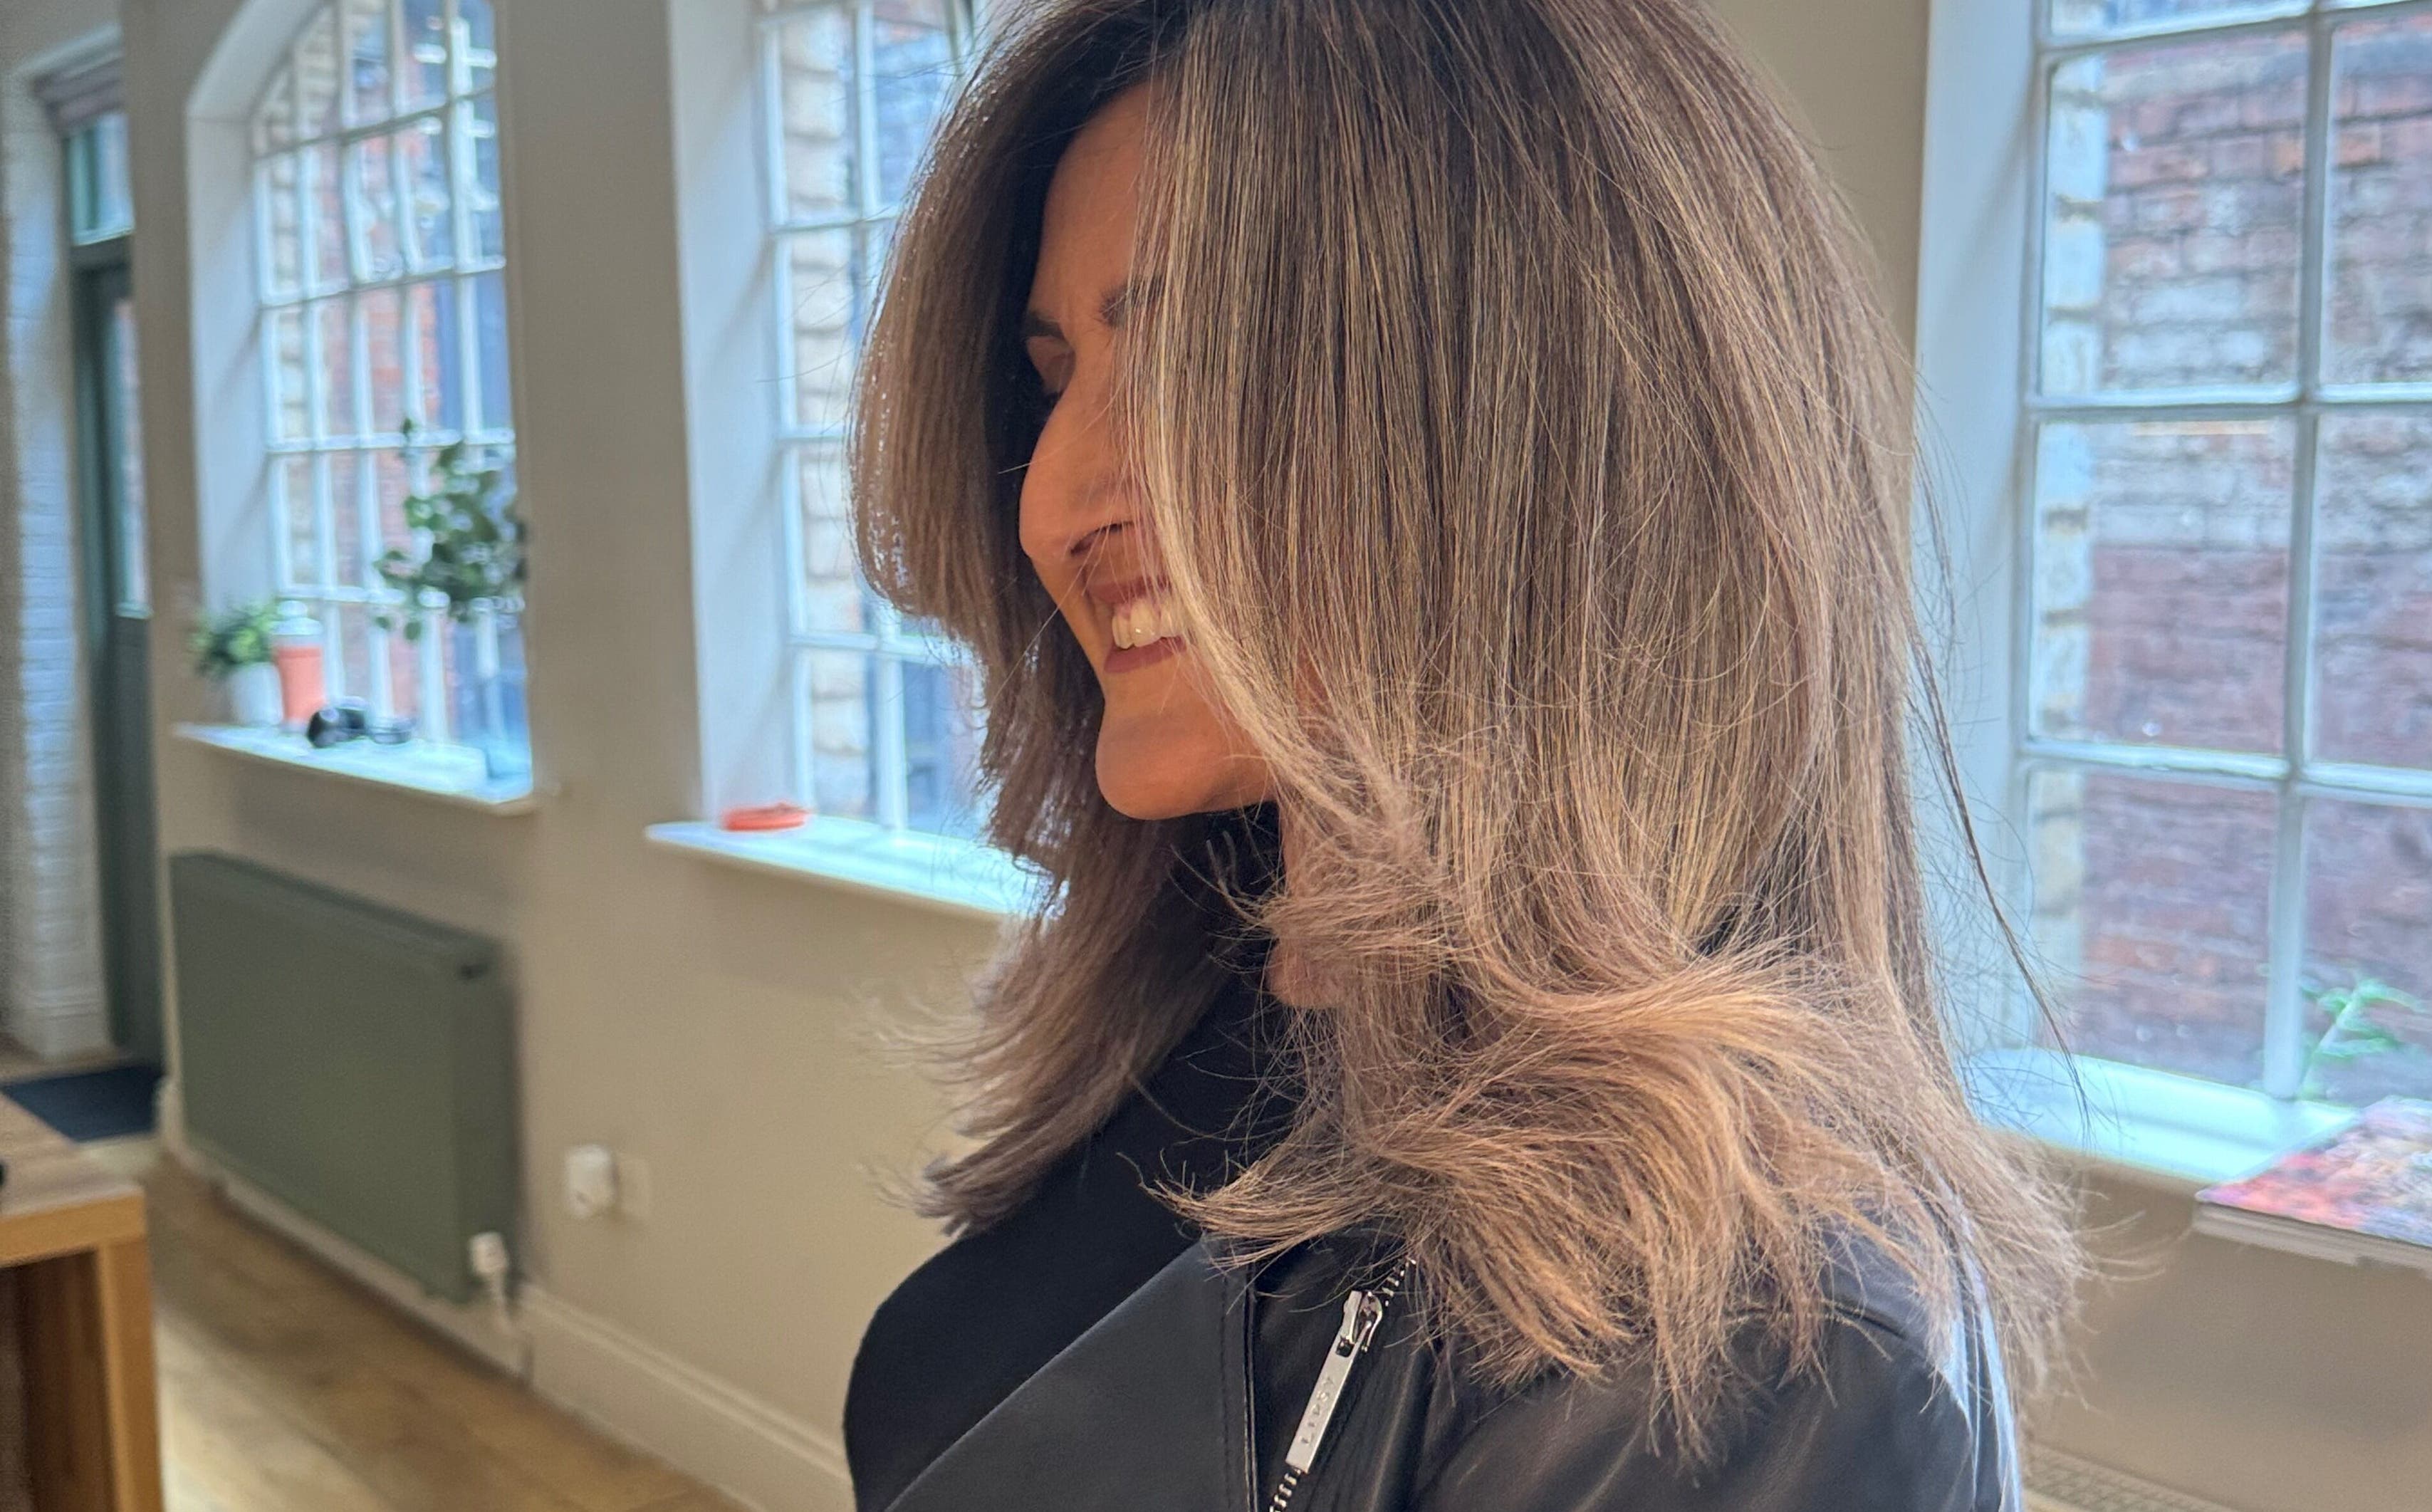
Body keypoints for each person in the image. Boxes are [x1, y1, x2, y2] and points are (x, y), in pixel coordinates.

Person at [841, 1, 2079, 1507]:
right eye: (1056, 382)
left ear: (1536, 431)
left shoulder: (1748, 1362)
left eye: (1191, 366)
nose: (1053, 505)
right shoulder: (1187, 1000)